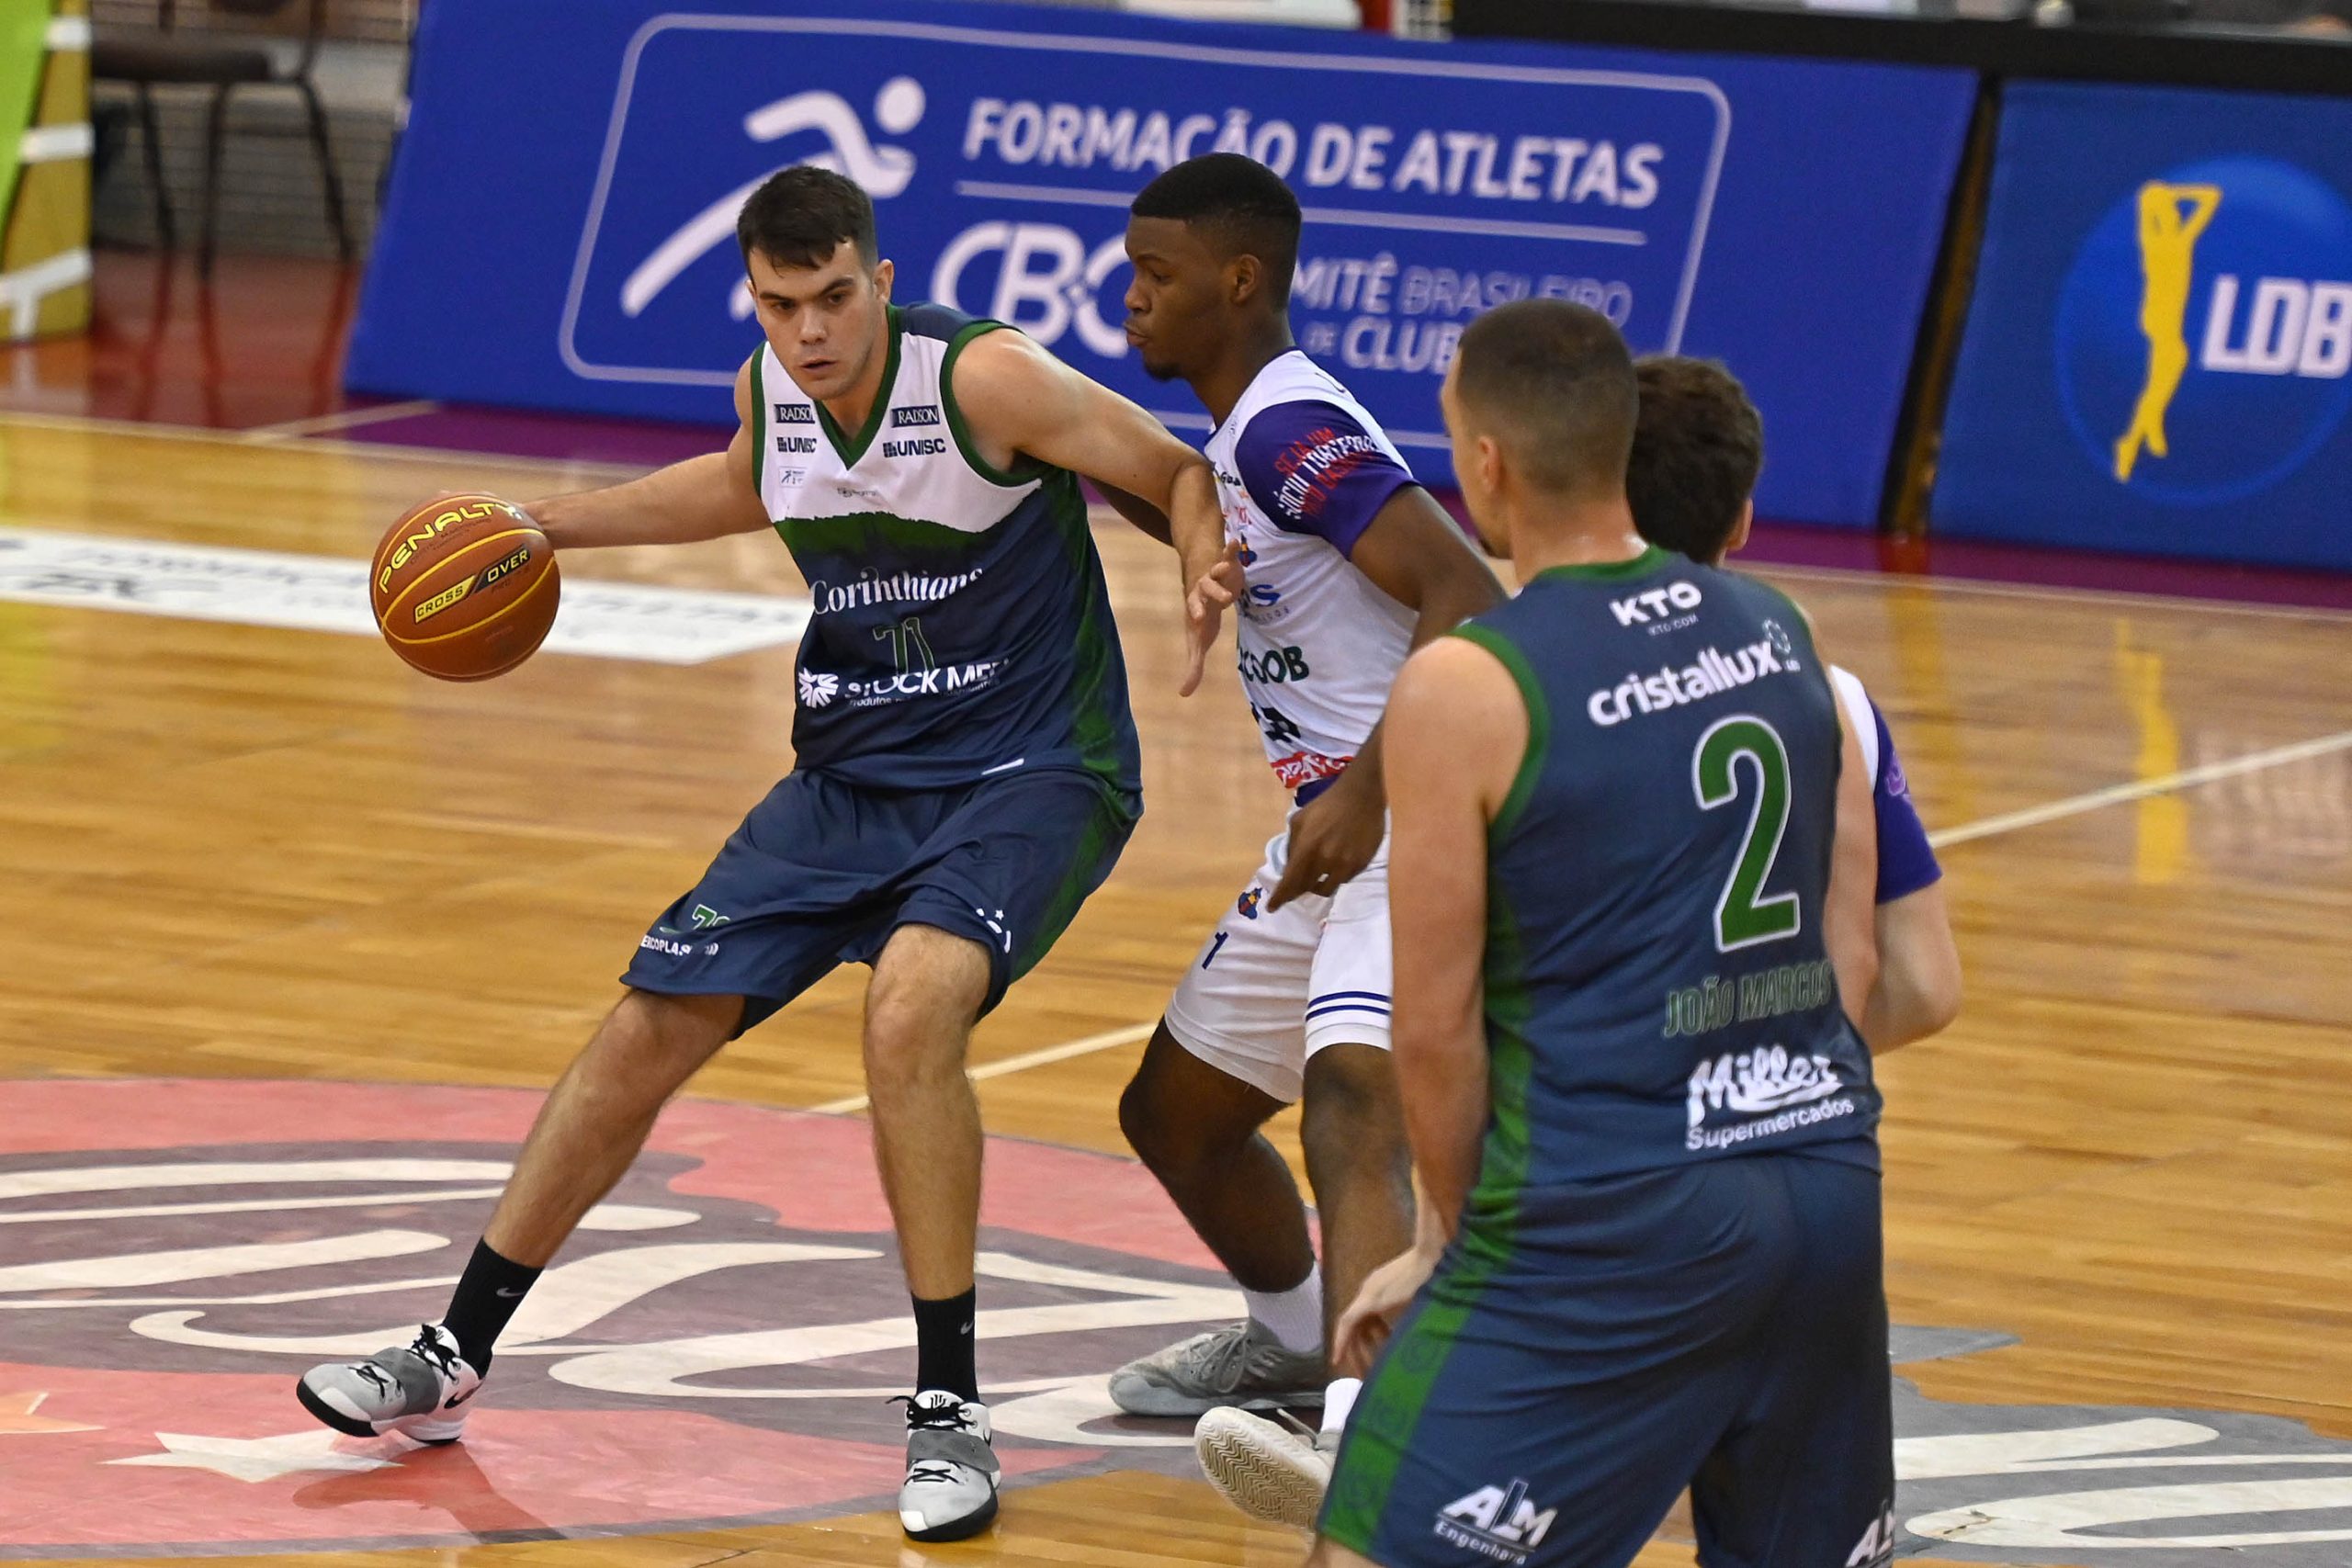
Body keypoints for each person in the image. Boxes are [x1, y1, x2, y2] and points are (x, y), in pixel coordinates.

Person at [292, 164, 1238, 1544]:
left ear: (882, 283)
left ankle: (948, 1408)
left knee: (910, 1007)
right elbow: (739, 486)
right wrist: (549, 522)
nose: (810, 331)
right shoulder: (771, 388)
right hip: (851, 773)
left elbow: (1169, 466)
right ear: (756, 297)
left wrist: (1203, 566)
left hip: (1032, 769)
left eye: (834, 297)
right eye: (782, 303)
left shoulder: (988, 383)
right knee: (640, 1027)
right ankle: (450, 1352)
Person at [1311, 299, 1895, 1568]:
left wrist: (1441, 1242)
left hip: (1614, 1218)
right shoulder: (1778, 628)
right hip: (1826, 1190)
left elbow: (1433, 1024)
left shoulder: (1467, 681)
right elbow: (1850, 959)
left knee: (1363, 1547)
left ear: (1484, 464)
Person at [1092, 153, 1505, 1519]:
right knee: (1178, 1110)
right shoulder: (1236, 444)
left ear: (1240, 279)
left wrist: (1371, 789)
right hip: (1334, 819)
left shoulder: (1287, 425)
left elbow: (1466, 593)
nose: (1132, 297)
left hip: (1415, 807)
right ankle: (1288, 1334)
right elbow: (1149, 478)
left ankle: (1363, 1427)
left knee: (1347, 1095)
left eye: (1156, 274)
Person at [1625, 355, 1959, 1048]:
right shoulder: (1837, 697)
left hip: (1610, 1124)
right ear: (1742, 520)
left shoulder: (1533, 686)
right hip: (1789, 1126)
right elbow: (1924, 985)